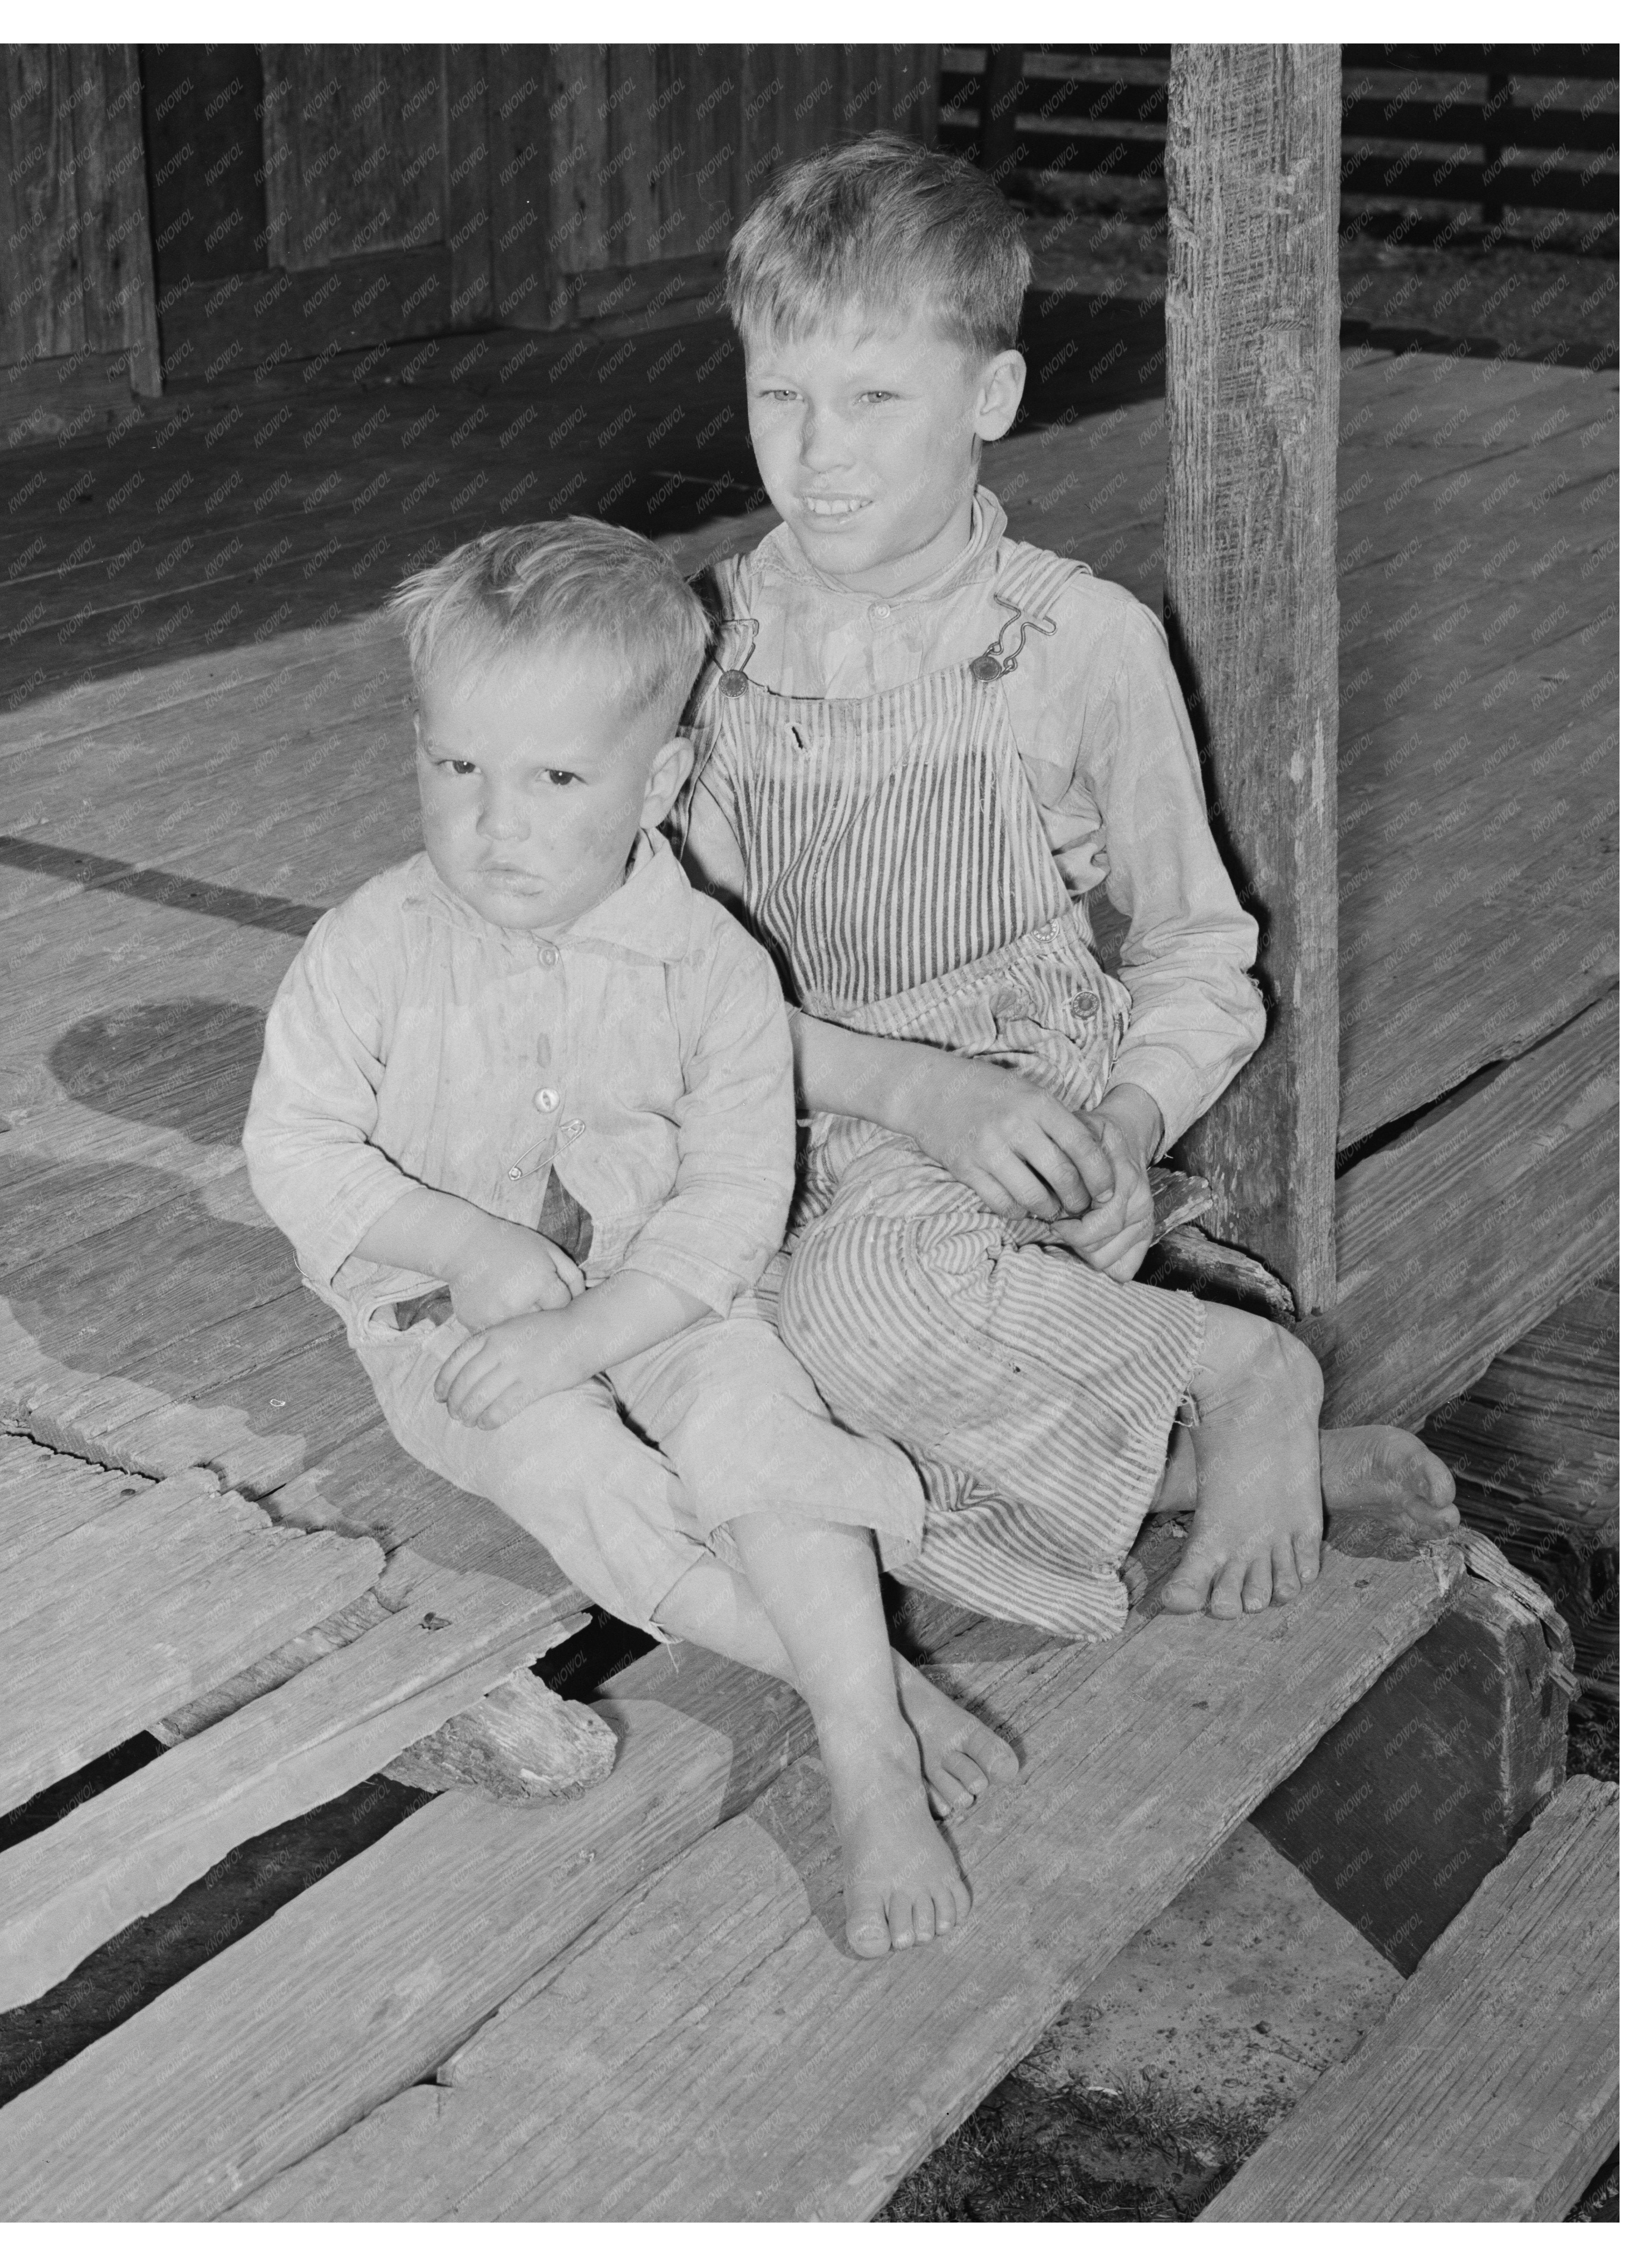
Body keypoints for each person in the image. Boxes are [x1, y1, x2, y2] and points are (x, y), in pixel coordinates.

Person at [680, 133, 1457, 1643]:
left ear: (990, 399)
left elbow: (1196, 952)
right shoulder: (704, 636)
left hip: (996, 1114)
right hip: (768, 1094)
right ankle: (1178, 1464)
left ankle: (1243, 1376)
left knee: (859, 1307)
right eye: (780, 395)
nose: (815, 452)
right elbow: (662, 968)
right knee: (670, 1354)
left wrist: (1122, 1126)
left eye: (871, 400)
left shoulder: (1075, 644)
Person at [243, 519, 1019, 1961]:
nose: (496, 823)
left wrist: (604, 1328)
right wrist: (461, 1244)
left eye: (554, 778)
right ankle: (861, 1698)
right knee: (570, 1467)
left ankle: (862, 1756)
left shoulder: (709, 966)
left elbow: (731, 1199)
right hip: (447, 1322)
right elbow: (291, 1148)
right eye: (454, 768)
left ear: (658, 781)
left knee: (751, 1417)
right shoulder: (368, 945)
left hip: (665, 1291)